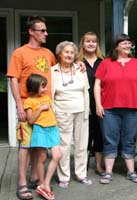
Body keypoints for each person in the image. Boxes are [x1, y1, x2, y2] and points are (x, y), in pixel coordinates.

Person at [7, 16, 56, 200]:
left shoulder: (48, 53)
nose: (46, 33)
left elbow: (60, 69)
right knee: (26, 146)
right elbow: (13, 79)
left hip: (45, 108)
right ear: (31, 31)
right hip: (28, 106)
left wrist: (80, 65)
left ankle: (35, 177)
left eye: (45, 30)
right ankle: (21, 183)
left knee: (39, 146)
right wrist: (19, 105)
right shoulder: (19, 53)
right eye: (42, 30)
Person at [94, 33, 137, 184]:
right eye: (123, 43)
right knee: (110, 140)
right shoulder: (106, 63)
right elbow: (97, 85)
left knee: (129, 140)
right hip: (109, 108)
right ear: (116, 46)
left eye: (129, 43)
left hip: (133, 108)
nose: (127, 45)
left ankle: (131, 172)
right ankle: (108, 172)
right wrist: (98, 104)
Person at [51, 41, 92, 188]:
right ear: (59, 54)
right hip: (62, 112)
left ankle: (81, 174)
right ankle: (64, 177)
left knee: (82, 144)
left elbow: (86, 89)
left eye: (72, 52)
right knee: (64, 145)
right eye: (66, 52)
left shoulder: (80, 69)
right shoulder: (52, 71)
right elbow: (50, 94)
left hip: (81, 111)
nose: (69, 55)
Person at [24, 74, 62, 200]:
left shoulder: (47, 97)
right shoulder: (29, 101)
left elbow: (51, 112)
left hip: (52, 129)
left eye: (45, 86)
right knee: (42, 157)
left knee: (57, 155)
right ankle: (42, 184)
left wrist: (56, 122)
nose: (45, 89)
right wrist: (40, 108)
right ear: (34, 87)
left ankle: (45, 183)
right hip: (40, 130)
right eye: (42, 86)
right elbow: (30, 120)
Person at [77, 32, 105, 176]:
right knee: (85, 136)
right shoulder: (77, 62)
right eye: (87, 41)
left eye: (93, 41)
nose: (90, 44)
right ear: (82, 43)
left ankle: (99, 166)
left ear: (97, 44)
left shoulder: (103, 61)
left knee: (99, 135)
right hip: (83, 104)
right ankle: (83, 167)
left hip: (101, 104)